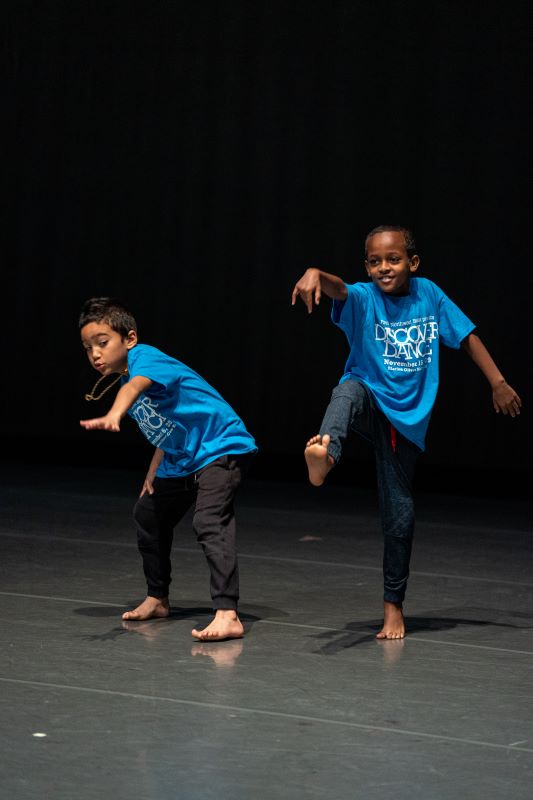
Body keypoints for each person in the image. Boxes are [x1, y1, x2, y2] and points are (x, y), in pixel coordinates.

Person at [291, 226, 521, 640]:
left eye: (393, 260)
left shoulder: (428, 295)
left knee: (400, 513)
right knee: (347, 390)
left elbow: (467, 338)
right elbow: (340, 288)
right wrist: (315, 273)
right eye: (375, 261)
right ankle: (325, 454)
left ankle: (393, 607)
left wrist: (498, 382)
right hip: (368, 398)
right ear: (367, 266)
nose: (384, 268)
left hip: (406, 421)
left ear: (412, 263)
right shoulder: (364, 296)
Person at [79, 298, 257, 641]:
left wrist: (115, 414)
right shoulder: (124, 383)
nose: (95, 354)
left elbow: (134, 387)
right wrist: (153, 468)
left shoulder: (144, 358)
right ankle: (157, 598)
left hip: (221, 446)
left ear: (129, 338)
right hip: (183, 458)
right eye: (88, 348)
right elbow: (168, 426)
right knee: (148, 514)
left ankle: (227, 613)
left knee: (208, 521)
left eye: (103, 343)